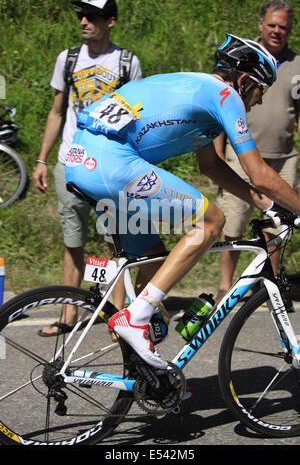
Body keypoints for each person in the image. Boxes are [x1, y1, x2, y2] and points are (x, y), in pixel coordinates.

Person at [65, 33, 300, 370]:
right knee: (212, 221)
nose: (258, 102)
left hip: (82, 159)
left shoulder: (197, 89)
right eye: (260, 91)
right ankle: (135, 317)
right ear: (245, 80)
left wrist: (265, 204)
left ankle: (151, 380)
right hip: (110, 162)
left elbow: (211, 166)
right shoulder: (225, 94)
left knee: (154, 267)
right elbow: (259, 172)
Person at [32, 0, 142, 336]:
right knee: (73, 242)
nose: (83, 21)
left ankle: (118, 318)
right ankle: (68, 317)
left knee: (116, 243)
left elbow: (137, 117)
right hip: (70, 163)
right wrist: (41, 160)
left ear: (110, 21)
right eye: (81, 15)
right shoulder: (67, 59)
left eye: (92, 16)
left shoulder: (127, 63)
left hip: (108, 167)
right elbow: (57, 111)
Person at [215, 0, 300, 303]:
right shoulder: (243, 59)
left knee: (277, 224)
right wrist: (216, 155)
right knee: (233, 222)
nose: (278, 31)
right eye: (272, 25)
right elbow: (220, 104)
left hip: (284, 157)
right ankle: (226, 287)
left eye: (284, 27)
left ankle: (271, 286)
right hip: (241, 156)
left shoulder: (298, 64)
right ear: (261, 25)